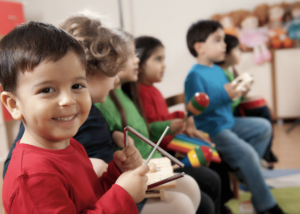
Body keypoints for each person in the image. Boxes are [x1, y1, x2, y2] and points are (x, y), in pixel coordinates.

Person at [1, 21, 148, 214]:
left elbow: (90, 202)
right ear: (14, 105)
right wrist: (123, 196)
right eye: (47, 89)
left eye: (77, 86)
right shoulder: (33, 178)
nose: (68, 100)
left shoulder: (71, 145)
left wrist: (117, 174)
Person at [184, 20, 284, 214]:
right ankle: (266, 205)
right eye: (218, 40)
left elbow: (225, 100)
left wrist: (237, 92)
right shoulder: (194, 76)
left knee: (263, 127)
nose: (224, 45)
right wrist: (225, 95)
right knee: (247, 154)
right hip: (212, 130)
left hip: (229, 123)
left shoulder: (218, 71)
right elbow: (194, 110)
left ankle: (241, 171)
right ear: (199, 47)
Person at [96, 31, 201, 214]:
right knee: (199, 191)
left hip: (151, 163)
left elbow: (144, 129)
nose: (136, 60)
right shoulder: (105, 101)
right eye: (130, 56)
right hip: (142, 168)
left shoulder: (128, 94)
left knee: (197, 185)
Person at [135, 35, 230, 214]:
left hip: (169, 146)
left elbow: (161, 118)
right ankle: (219, 206)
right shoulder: (141, 93)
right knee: (213, 170)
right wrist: (173, 126)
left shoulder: (153, 89)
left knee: (215, 155)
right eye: (158, 59)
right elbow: (152, 129)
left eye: (163, 59)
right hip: (167, 150)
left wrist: (180, 117)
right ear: (139, 64)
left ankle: (221, 205)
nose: (164, 65)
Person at [215, 34, 278, 167]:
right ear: (225, 54)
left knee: (263, 109)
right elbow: (229, 103)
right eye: (237, 49)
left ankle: (262, 154)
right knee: (263, 112)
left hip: (231, 114)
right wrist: (240, 94)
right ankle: (259, 157)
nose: (241, 52)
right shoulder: (222, 74)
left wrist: (243, 93)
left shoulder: (229, 71)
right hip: (228, 117)